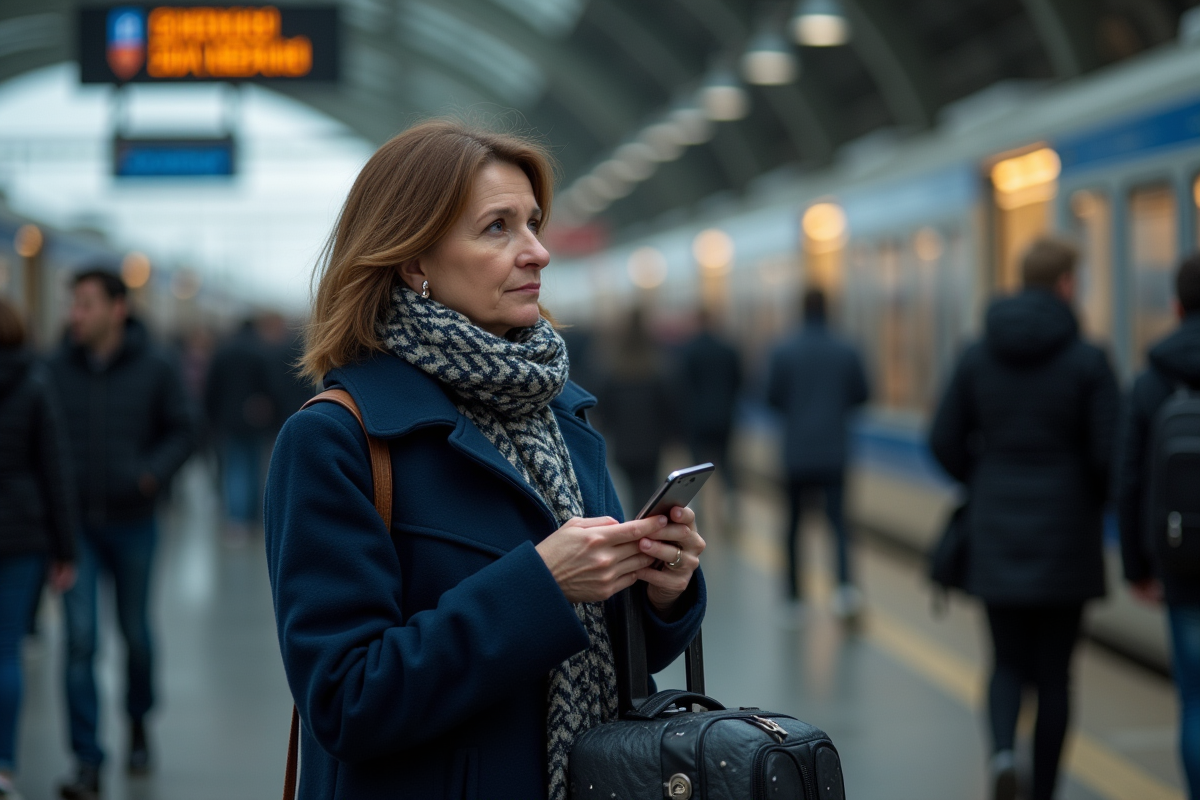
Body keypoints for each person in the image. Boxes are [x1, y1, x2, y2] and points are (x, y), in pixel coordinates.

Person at [265, 120, 706, 800]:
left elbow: (608, 654)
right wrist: (541, 585)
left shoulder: (559, 414)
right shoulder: (339, 441)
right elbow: (346, 701)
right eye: (497, 228)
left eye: (533, 222)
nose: (538, 252)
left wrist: (660, 589)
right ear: (414, 262)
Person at [929, 238, 1118, 800]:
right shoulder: (1089, 359)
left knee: (1006, 660)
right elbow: (1113, 452)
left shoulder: (976, 352)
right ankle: (1045, 789)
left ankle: (1004, 753)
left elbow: (941, 439)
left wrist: (982, 479)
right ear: (1065, 284)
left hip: (995, 529)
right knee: (1056, 674)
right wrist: (1085, 496)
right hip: (1066, 536)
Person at [47, 269, 196, 798]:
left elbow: (185, 427)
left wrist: (150, 474)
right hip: (75, 529)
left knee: (134, 633)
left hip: (134, 521)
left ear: (117, 309)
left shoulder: (155, 365)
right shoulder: (54, 368)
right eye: (73, 305)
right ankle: (87, 758)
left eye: (85, 304)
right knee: (80, 641)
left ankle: (137, 722)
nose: (75, 315)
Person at [1114, 252, 1200, 800]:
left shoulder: (1152, 379)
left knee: (1195, 698)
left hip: (1183, 560)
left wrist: (1136, 567)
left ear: (1175, 305)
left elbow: (1128, 480)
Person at [0, 299, 77, 800]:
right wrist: (65, 547)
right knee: (6, 651)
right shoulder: (35, 380)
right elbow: (55, 467)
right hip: (21, 535)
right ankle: (3, 766)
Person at [766, 287, 869, 620]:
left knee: (794, 524)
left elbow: (770, 398)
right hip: (835, 451)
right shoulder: (847, 349)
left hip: (795, 452)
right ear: (828, 309)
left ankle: (794, 598)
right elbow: (863, 395)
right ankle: (843, 591)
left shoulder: (783, 350)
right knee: (838, 522)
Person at [594, 306, 677, 511]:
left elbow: (603, 409)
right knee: (650, 487)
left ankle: (638, 526)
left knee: (632, 489)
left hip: (625, 444)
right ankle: (648, 526)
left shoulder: (613, 368)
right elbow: (670, 406)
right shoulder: (658, 366)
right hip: (652, 442)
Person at [204, 317, 276, 545]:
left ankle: (236, 522)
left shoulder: (223, 352)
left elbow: (211, 388)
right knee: (255, 469)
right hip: (254, 419)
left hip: (228, 420)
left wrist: (211, 418)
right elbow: (271, 387)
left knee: (233, 470)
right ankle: (253, 518)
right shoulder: (260, 352)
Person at [676, 307, 743, 532]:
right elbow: (739, 382)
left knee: (696, 467)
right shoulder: (729, 349)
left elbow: (682, 387)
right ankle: (729, 507)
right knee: (727, 464)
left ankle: (698, 512)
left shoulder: (688, 351)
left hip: (696, 419)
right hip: (724, 416)